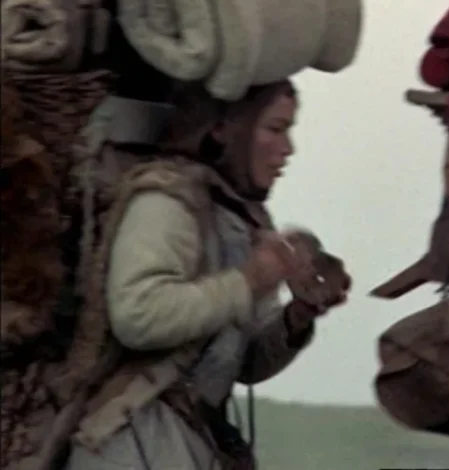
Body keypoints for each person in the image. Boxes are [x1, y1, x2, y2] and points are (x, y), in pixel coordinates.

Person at [63, 80, 348, 470]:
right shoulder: (166, 201)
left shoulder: (239, 221)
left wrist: (297, 317)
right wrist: (248, 282)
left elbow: (244, 363)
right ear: (225, 129)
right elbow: (137, 315)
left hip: (190, 441)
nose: (288, 148)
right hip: (134, 444)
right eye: (275, 129)